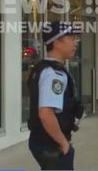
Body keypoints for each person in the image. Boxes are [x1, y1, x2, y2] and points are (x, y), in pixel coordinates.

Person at [27, 21, 83, 170]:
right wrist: (64, 144)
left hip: (44, 141)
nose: (75, 42)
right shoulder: (53, 74)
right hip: (50, 144)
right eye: (71, 38)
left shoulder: (45, 68)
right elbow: (46, 114)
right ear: (57, 42)